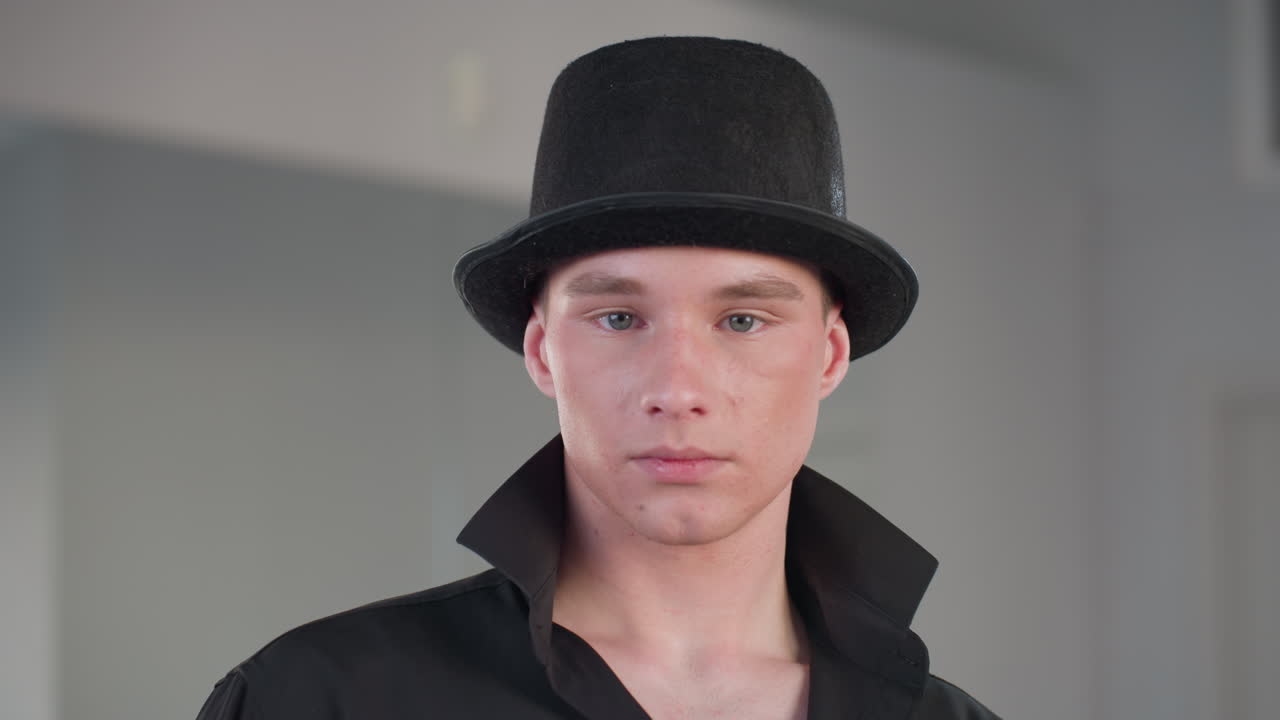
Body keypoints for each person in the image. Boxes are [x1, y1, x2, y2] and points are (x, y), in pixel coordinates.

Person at [196, 36, 1000, 719]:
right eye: (619, 318)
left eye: (743, 320)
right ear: (543, 352)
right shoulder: (318, 700)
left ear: (828, 357)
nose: (678, 388)